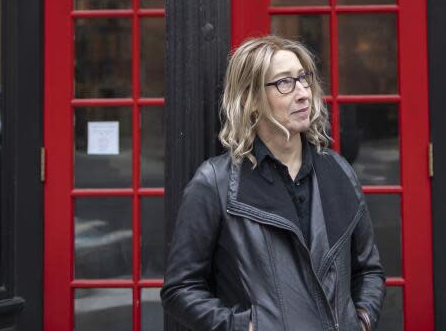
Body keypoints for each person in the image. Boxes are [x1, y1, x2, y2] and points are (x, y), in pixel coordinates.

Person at [161, 35, 385, 330]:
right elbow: (180, 289)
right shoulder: (215, 182)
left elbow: (369, 271)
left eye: (304, 79)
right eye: (284, 83)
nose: (304, 93)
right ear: (251, 100)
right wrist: (245, 326)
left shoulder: (339, 171)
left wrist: (362, 320)